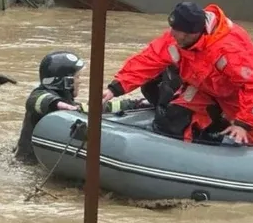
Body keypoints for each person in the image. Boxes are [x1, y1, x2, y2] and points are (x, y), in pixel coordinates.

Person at [100, 1, 253, 146]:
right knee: (174, 118)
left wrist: (244, 124)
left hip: (236, 96)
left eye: (176, 31)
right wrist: (115, 88)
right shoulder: (179, 37)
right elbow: (149, 59)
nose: (171, 34)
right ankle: (198, 146)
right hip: (203, 89)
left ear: (192, 33)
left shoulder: (229, 49)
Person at [14, 50, 151, 164]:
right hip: (29, 163)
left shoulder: (70, 104)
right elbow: (35, 100)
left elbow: (99, 108)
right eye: (77, 77)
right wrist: (57, 104)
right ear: (66, 82)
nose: (79, 81)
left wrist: (135, 104)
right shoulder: (41, 95)